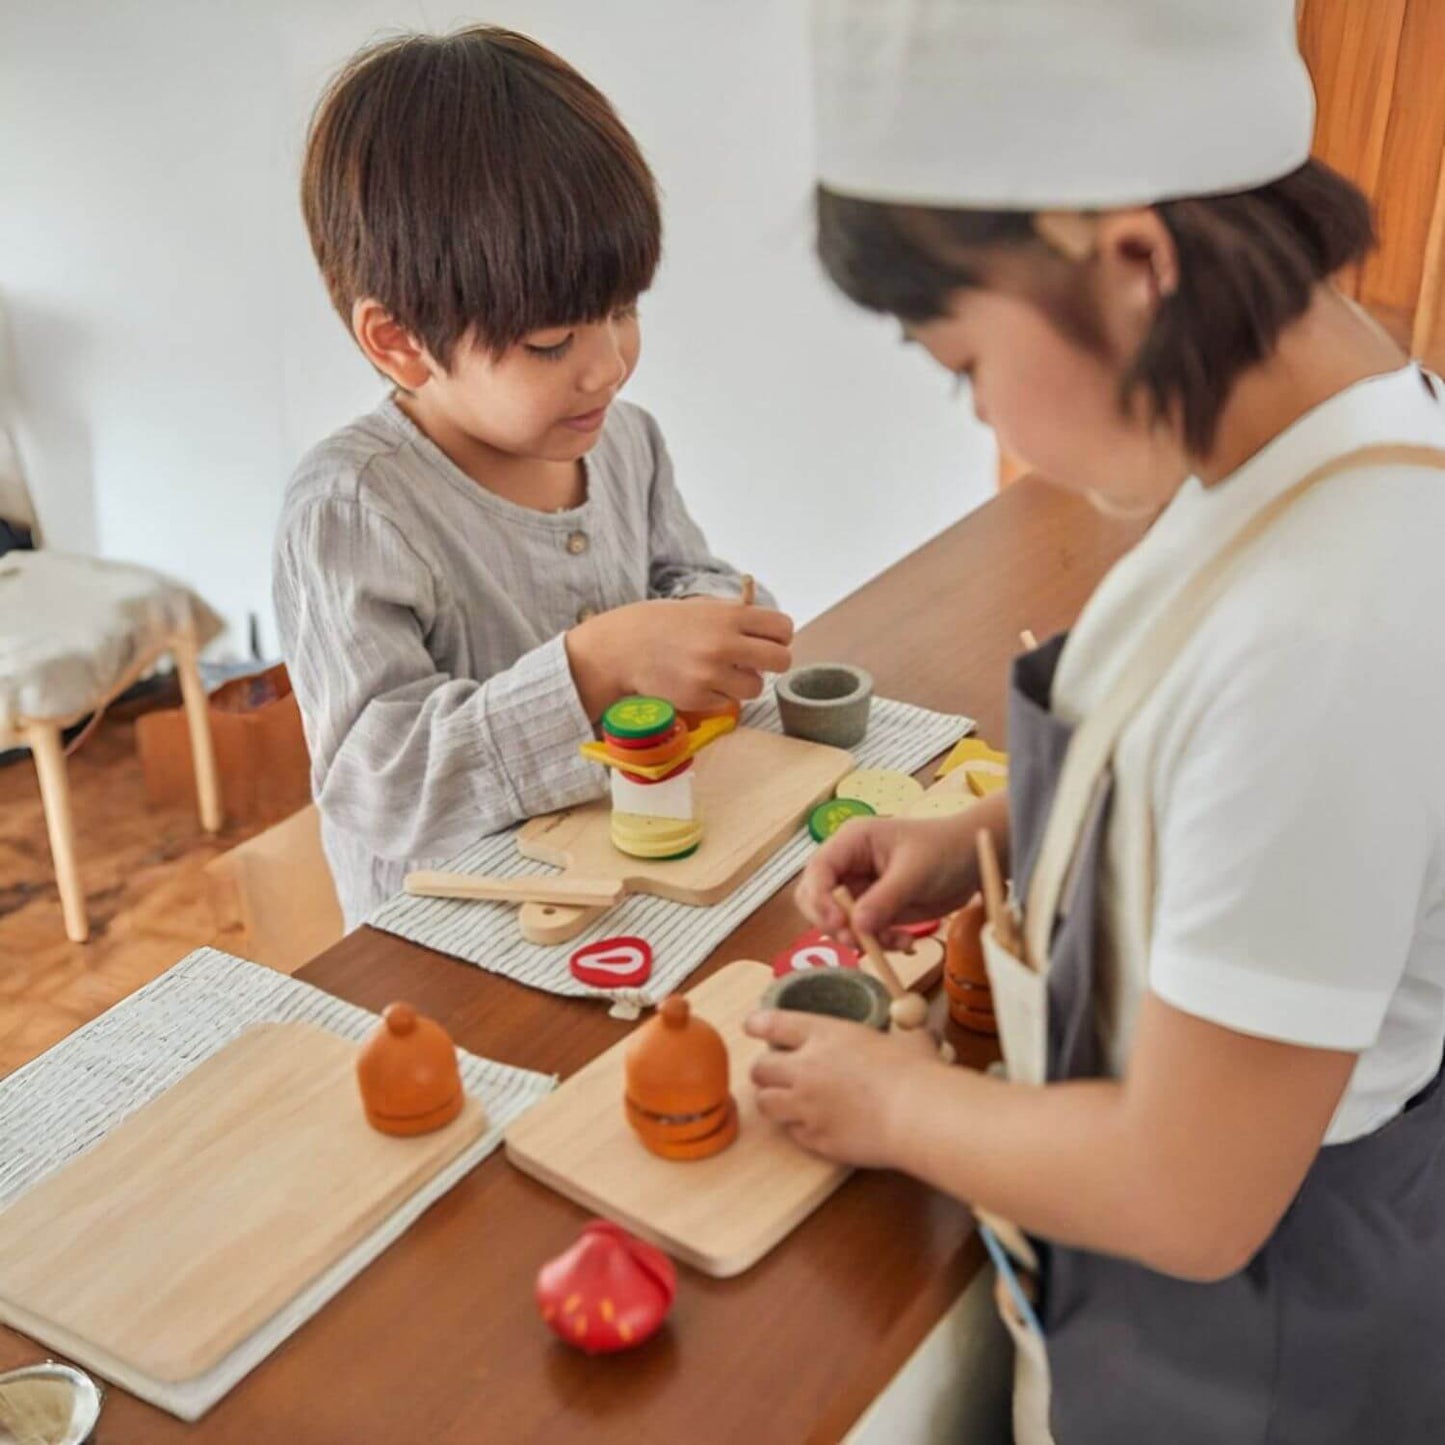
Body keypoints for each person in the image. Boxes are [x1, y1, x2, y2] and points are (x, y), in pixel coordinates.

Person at [747, 2, 1445, 1439]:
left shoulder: (1335, 614)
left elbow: (1188, 1192)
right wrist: (980, 835)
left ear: (1132, 261)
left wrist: (889, 1104)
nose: (974, 403)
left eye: (959, 360)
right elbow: (1211, 774)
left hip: (1252, 1347)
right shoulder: (1300, 438)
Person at [274, 27, 792, 925]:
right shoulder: (353, 509)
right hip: (456, 941)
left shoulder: (626, 441)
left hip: (633, 882)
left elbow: (682, 574)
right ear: (398, 342)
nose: (608, 366)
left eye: (623, 311)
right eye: (550, 343)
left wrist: (710, 619)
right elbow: (382, 785)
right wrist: (590, 674)